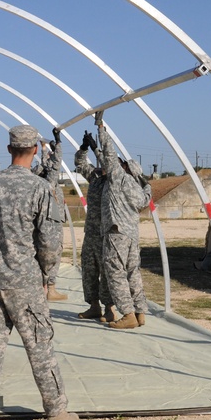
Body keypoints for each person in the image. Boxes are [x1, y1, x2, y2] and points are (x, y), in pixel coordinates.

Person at [0, 125, 80, 420]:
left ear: (9, 149)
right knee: (40, 348)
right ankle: (57, 414)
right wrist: (47, 277)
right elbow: (49, 242)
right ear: (35, 151)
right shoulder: (40, 188)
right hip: (25, 284)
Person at [96, 112, 153, 329]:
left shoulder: (118, 178)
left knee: (115, 273)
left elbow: (109, 154)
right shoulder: (137, 187)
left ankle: (127, 314)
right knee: (133, 272)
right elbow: (146, 197)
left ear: (125, 168)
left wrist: (101, 127)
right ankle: (140, 312)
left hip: (116, 233)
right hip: (131, 236)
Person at [73, 130, 116, 323]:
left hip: (106, 234)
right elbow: (80, 164)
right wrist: (83, 148)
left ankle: (109, 308)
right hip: (90, 233)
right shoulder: (96, 177)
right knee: (89, 270)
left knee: (106, 273)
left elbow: (108, 163)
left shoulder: (115, 180)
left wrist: (95, 148)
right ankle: (93, 306)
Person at [34, 128, 68, 301]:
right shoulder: (50, 181)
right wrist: (58, 143)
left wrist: (44, 148)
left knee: (39, 253)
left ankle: (42, 287)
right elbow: (55, 164)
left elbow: (47, 163)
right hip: (52, 221)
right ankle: (51, 289)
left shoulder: (38, 180)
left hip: (41, 220)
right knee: (53, 253)